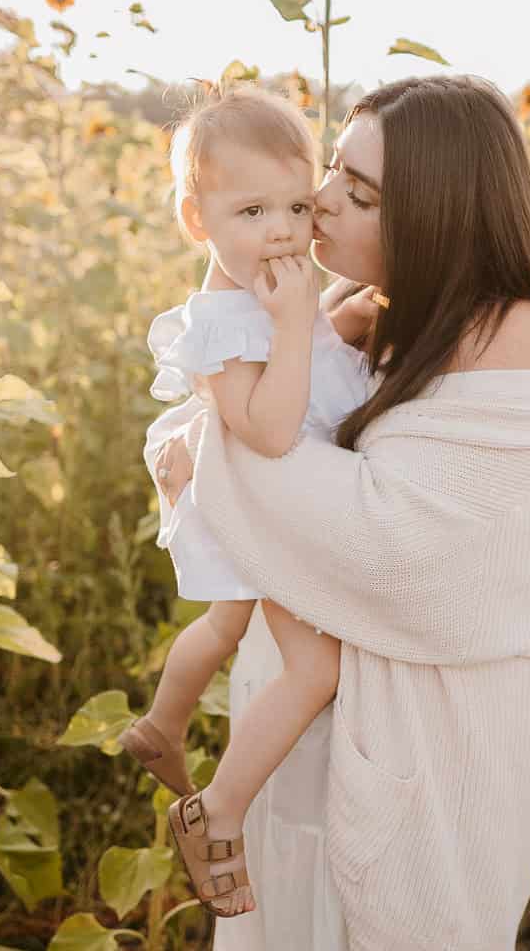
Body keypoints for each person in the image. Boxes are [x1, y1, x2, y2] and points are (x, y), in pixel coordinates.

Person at [153, 74, 530, 950]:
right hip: (340, 707)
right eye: (333, 167)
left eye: (358, 193)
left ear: (438, 213)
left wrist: (209, 451)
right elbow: (266, 420)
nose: (318, 202)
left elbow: (394, 549)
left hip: (440, 734)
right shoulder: (399, 312)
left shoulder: (523, 337)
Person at [123, 86, 384, 918]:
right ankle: (218, 807)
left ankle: (162, 727)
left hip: (274, 503)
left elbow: (308, 355)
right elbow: (273, 428)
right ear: (196, 221)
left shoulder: (259, 291)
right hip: (264, 505)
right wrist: (302, 316)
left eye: (296, 205)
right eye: (251, 211)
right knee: (318, 665)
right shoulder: (224, 328)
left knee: (227, 625)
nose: (280, 229)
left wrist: (338, 318)